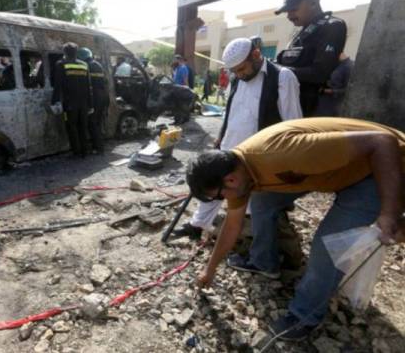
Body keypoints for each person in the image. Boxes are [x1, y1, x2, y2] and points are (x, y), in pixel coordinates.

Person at [187, 117, 405, 341]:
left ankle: (304, 316)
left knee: (327, 244)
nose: (223, 201)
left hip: (379, 170)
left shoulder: (280, 154)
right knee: (262, 201)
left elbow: (383, 141)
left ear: (230, 180)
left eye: (219, 197)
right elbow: (233, 225)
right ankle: (264, 261)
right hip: (342, 170)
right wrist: (209, 269)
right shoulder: (242, 170)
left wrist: (390, 212)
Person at [173, 37, 302, 242]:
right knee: (212, 185)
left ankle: (246, 238)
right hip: (228, 146)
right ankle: (197, 225)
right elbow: (231, 111)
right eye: (235, 71)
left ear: (256, 55)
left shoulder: (282, 78)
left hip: (257, 154)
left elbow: (293, 122)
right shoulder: (236, 78)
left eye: (242, 69)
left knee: (248, 198)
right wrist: (220, 136)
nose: (240, 75)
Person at [275, 0, 347, 117]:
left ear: (313, 3)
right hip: (289, 105)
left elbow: (319, 73)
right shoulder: (300, 32)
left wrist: (278, 70)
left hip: (312, 110)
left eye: (293, 9)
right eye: (287, 11)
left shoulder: (333, 26)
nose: (289, 16)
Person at [51, 42, 93, 157]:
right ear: (76, 52)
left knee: (72, 127)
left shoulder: (61, 64)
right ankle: (85, 151)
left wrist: (54, 101)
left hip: (69, 104)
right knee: (83, 127)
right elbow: (89, 86)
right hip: (84, 103)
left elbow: (57, 85)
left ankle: (76, 152)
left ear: (64, 52)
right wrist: (91, 104)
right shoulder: (84, 65)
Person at [78, 47, 107, 154]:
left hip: (93, 98)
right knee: (98, 123)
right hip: (102, 96)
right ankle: (99, 145)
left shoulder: (86, 66)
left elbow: (86, 85)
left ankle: (98, 148)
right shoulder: (98, 65)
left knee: (92, 123)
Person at [315, 52, 353, 116]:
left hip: (333, 103)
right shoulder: (337, 64)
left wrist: (330, 91)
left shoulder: (348, 67)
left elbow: (349, 89)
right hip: (324, 101)